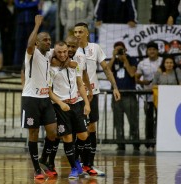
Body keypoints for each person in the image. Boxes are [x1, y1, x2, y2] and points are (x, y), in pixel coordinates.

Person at [38, 35, 92, 177]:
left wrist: (87, 103)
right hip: (59, 106)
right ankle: (74, 167)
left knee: (83, 135)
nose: (62, 54)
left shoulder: (75, 64)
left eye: (64, 51)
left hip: (76, 104)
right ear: (54, 52)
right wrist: (61, 103)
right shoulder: (50, 66)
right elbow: (48, 90)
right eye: (59, 52)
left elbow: (80, 84)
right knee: (67, 138)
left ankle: (76, 161)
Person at [74, 22, 121, 175]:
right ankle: (78, 164)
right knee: (79, 130)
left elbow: (106, 68)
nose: (78, 35)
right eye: (75, 32)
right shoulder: (71, 50)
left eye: (81, 32)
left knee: (92, 128)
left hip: (92, 93)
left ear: (87, 33)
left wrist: (114, 87)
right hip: (76, 95)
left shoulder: (95, 48)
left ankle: (89, 164)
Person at [20, 15, 57, 180]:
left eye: (50, 40)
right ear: (37, 42)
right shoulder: (31, 53)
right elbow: (29, 44)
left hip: (45, 98)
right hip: (31, 99)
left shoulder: (49, 55)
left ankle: (43, 159)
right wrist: (37, 25)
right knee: (33, 133)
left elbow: (64, 52)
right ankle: (36, 169)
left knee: (53, 133)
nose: (49, 42)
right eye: (45, 40)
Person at [108, 41, 139, 151]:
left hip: (129, 95)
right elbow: (107, 72)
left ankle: (136, 144)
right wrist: (113, 57)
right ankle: (120, 144)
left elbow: (132, 73)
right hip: (117, 95)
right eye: (117, 50)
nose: (119, 52)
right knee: (118, 121)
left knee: (133, 120)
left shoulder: (132, 59)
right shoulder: (113, 61)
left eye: (121, 49)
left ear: (125, 50)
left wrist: (125, 59)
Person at [135, 41, 162, 151]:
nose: (152, 51)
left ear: (157, 51)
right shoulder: (142, 63)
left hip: (161, 96)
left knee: (161, 119)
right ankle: (149, 142)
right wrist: (143, 82)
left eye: (154, 49)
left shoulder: (162, 61)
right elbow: (136, 78)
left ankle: (160, 141)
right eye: (150, 49)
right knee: (149, 120)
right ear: (147, 51)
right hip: (148, 96)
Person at [13, 0, 40, 67]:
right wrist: (28, 3)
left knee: (32, 44)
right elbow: (17, 4)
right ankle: (17, 67)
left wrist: (24, 3)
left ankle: (32, 66)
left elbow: (35, 3)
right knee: (19, 45)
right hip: (20, 23)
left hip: (31, 23)